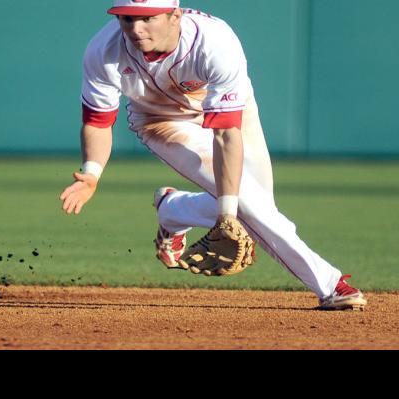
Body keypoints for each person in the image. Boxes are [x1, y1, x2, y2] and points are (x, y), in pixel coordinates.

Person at [59, 0, 367, 310]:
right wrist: (92, 172)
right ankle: (331, 286)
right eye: (126, 19)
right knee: (250, 205)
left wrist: (227, 215)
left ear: (174, 15)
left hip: (232, 115)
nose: (135, 28)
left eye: (147, 18)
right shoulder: (104, 51)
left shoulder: (214, 43)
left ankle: (172, 209)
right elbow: (98, 122)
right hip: (161, 121)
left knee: (252, 208)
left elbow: (225, 134)